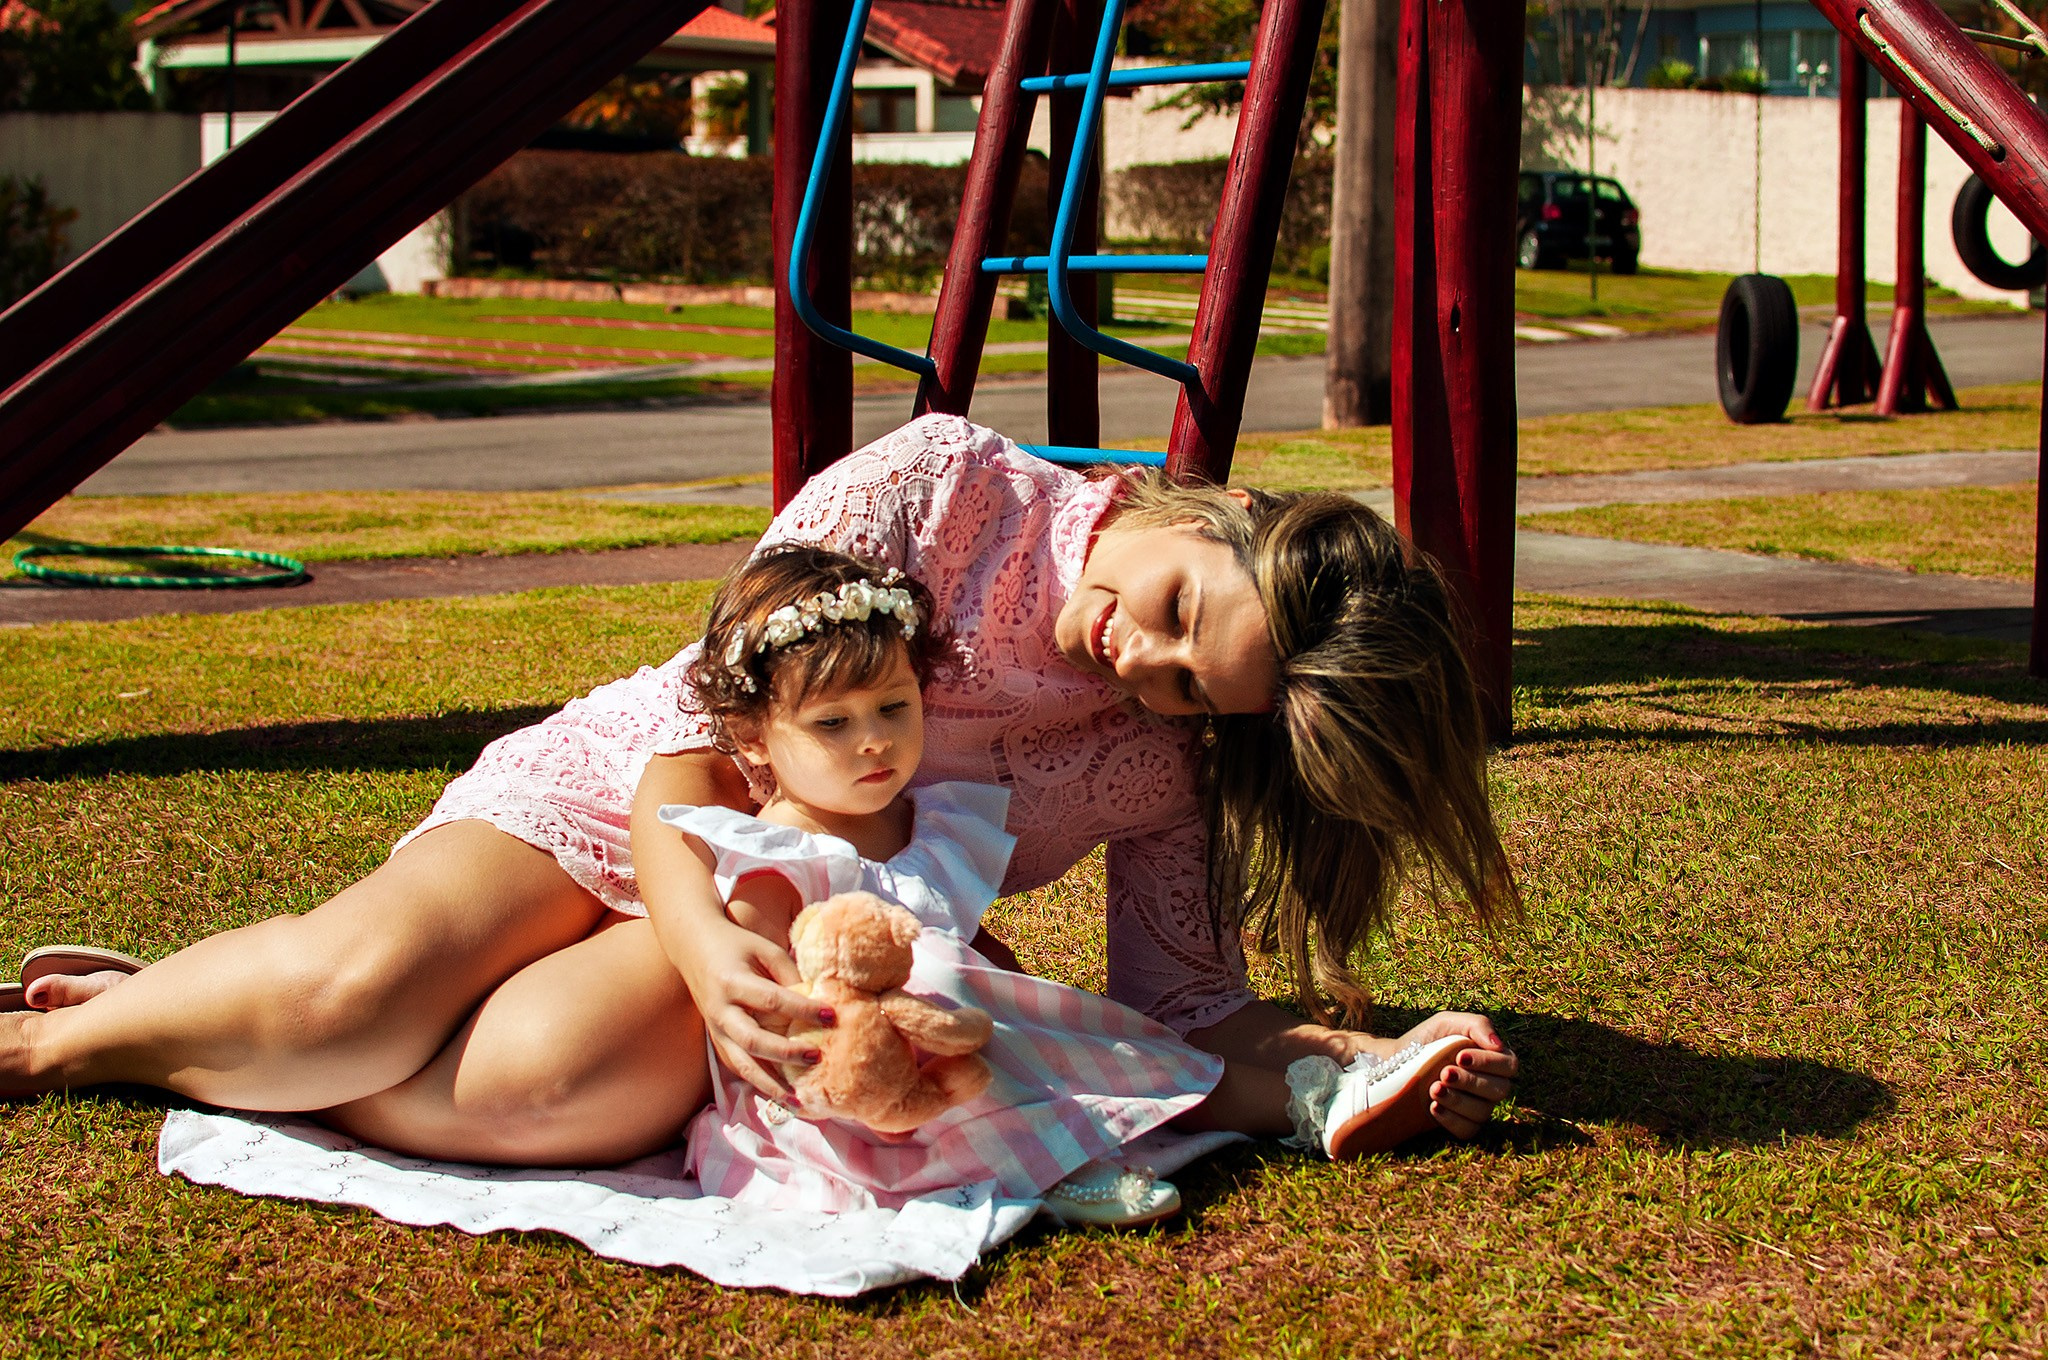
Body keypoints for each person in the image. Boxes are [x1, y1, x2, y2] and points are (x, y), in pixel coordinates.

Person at [1, 413, 1519, 1173]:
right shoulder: (943, 489)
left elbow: (1184, 1015)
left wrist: (1363, 1067)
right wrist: (696, 928)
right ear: (1225, 512)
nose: (1148, 668)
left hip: (786, 928)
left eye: (1195, 688)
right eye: (1182, 615)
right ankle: (66, 1045)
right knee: (353, 1001)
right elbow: (693, 713)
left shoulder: (1157, 762)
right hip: (630, 803)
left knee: (546, 1086)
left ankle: (216, 1015)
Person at [663, 544, 1479, 1228]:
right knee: (1004, 1020)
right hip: (854, 1091)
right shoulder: (774, 846)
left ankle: (1320, 1098)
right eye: (833, 724)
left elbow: (955, 936)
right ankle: (1080, 1162)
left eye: (894, 707)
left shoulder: (926, 822)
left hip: (950, 1050)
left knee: (1102, 1039)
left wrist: (999, 988)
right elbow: (777, 991)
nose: (875, 743)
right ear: (752, 737)